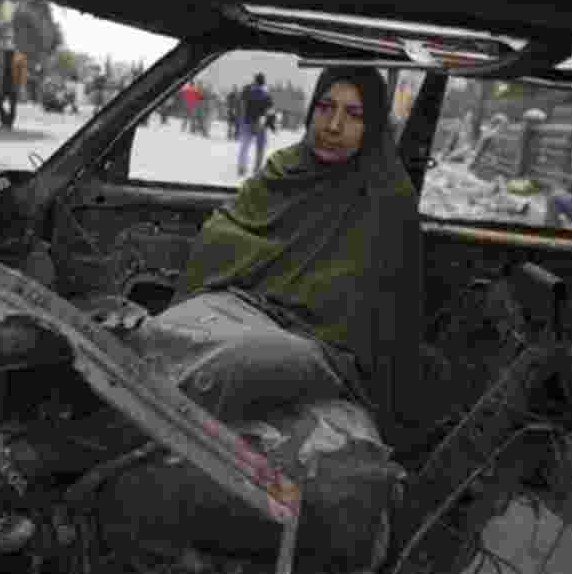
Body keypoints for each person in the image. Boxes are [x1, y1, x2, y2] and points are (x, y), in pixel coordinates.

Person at [174, 66, 423, 436]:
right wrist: (260, 261)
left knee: (229, 365)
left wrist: (270, 275)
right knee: (170, 332)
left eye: (353, 115)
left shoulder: (386, 196)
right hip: (245, 306)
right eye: (325, 107)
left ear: (372, 126)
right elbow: (223, 231)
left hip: (325, 345)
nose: (333, 125)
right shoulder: (286, 168)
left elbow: (378, 312)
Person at [237, 72, 273, 176]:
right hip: (260, 123)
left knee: (244, 146)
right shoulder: (265, 93)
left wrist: (241, 121)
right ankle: (256, 169)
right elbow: (269, 110)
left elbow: (242, 105)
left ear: (255, 81)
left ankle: (242, 168)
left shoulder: (247, 90)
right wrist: (270, 123)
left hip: (248, 122)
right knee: (260, 148)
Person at [0, 48, 27, 130]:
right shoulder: (2, 55)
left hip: (14, 85)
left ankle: (9, 124)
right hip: (4, 84)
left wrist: (21, 86)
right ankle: (5, 120)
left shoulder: (20, 57)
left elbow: (23, 73)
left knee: (12, 106)